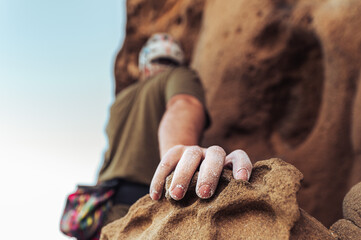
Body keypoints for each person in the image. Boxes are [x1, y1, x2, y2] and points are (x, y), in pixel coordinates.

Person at [97, 33, 253, 224]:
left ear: (144, 66)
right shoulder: (180, 75)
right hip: (140, 207)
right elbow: (183, 104)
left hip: (104, 208)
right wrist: (181, 156)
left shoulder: (119, 102)